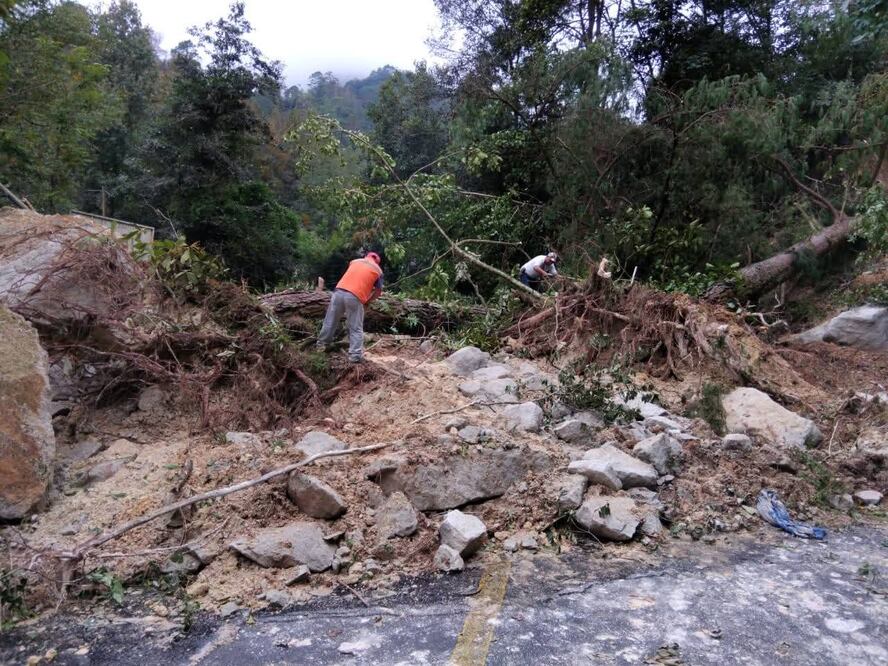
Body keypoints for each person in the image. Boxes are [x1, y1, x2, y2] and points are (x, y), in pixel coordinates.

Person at [316, 252, 383, 363]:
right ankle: (355, 356)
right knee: (356, 327)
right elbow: (378, 291)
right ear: (377, 262)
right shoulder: (378, 270)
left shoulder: (355, 262)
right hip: (355, 296)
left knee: (330, 321)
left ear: (366, 257)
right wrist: (368, 301)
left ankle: (321, 346)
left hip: (338, 292)